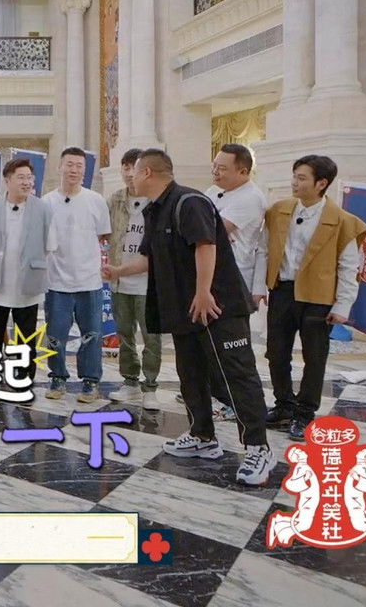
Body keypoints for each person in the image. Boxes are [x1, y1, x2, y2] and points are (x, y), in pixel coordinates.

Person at [104, 148, 273, 486]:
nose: (130, 177)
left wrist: (204, 291)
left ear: (148, 173)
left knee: (237, 374)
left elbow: (205, 245)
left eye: (134, 171)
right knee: (191, 374)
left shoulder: (189, 202)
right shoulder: (154, 209)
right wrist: (119, 270)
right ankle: (202, 436)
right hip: (185, 310)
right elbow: (152, 257)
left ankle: (258, 447)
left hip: (217, 307)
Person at [259, 155, 366, 440]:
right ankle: (284, 405)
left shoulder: (342, 221)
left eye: (302, 178)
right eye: (294, 176)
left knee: (314, 356)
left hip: (318, 297)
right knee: (276, 352)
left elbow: (349, 267)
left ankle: (305, 413)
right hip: (282, 291)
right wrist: (259, 286)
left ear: (321, 183)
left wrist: (343, 305)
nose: (294, 183)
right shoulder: (278, 211)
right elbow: (264, 251)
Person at [200, 143, 269, 419]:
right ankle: (220, 395)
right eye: (214, 166)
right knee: (210, 344)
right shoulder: (212, 191)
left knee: (233, 349)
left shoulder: (250, 198)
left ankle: (243, 405)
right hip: (210, 279)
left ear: (243, 171)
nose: (215, 172)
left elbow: (209, 231)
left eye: (222, 168)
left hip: (233, 283)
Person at [0, 157, 55, 382]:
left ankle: (24, 377)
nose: (26, 182)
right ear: (7, 180)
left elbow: (50, 246)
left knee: (26, 337)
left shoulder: (44, 209)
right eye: (21, 178)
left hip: (28, 283)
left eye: (29, 177)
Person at [41, 147, 111, 403]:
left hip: (89, 281)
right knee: (55, 335)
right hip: (56, 282)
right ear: (60, 167)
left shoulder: (96, 200)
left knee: (91, 335)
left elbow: (104, 237)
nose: (74, 170)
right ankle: (57, 377)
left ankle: (91, 382)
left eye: (79, 166)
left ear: (85, 170)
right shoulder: (46, 202)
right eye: (69, 164)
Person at [106, 148, 162, 411]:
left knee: (151, 337)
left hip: (149, 282)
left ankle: (150, 386)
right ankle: (130, 381)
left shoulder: (157, 201)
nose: (129, 174)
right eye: (125, 168)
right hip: (119, 280)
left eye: (134, 168)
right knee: (125, 334)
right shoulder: (115, 200)